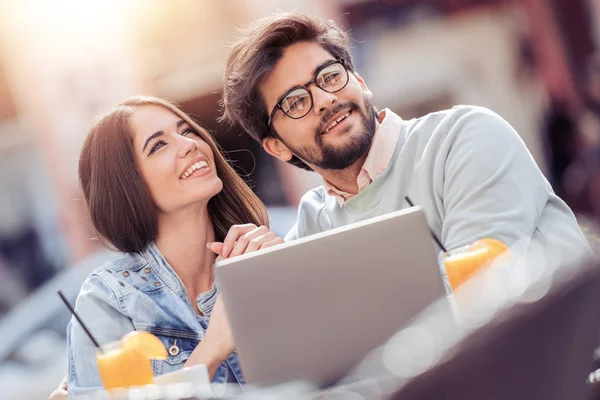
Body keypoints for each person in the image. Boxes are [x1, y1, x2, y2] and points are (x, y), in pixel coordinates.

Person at [217, 12, 591, 269]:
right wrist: (279, 274)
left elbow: (481, 302)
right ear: (276, 146)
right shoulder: (314, 224)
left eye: (330, 77)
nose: (326, 100)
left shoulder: (465, 138)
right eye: (296, 101)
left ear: (359, 83)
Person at [58, 95, 283, 397]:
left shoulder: (258, 255)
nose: (190, 143)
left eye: (186, 130)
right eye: (159, 145)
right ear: (127, 186)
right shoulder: (108, 299)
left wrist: (289, 274)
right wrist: (212, 348)